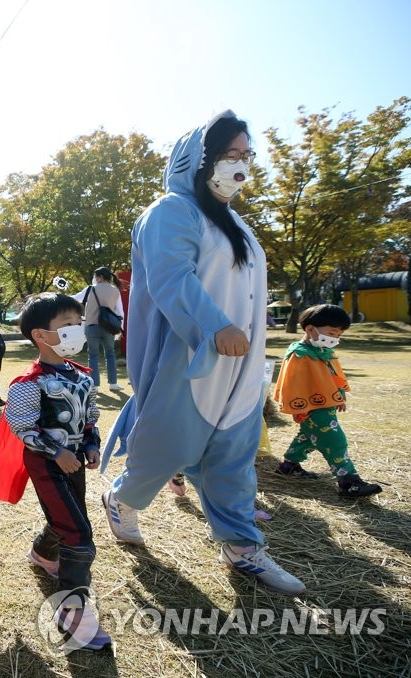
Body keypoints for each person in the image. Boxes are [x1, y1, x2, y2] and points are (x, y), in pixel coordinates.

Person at [100, 110, 305, 596]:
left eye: (245, 156)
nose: (239, 166)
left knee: (234, 461)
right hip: (194, 358)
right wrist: (215, 327)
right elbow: (172, 280)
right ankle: (122, 499)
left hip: (244, 366)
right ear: (199, 159)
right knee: (164, 451)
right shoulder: (170, 211)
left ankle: (242, 547)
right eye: (228, 155)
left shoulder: (237, 224)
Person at [0, 292, 111, 650]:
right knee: (79, 536)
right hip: (47, 463)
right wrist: (57, 452)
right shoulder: (31, 383)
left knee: (66, 517)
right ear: (40, 336)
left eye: (78, 324)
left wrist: (91, 444)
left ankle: (44, 554)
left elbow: (89, 418)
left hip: (73, 461)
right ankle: (71, 612)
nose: (76, 331)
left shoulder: (83, 377)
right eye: (66, 326)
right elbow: (23, 427)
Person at [272, 304, 383, 497]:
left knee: (308, 437)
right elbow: (293, 385)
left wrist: (339, 397)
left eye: (338, 335)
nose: (335, 339)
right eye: (332, 333)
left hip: (326, 405)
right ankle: (349, 481)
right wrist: (299, 407)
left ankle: (289, 466)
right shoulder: (299, 354)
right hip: (311, 408)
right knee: (335, 440)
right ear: (310, 329)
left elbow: (333, 376)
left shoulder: (323, 350)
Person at [73, 268, 125, 390]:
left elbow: (76, 298)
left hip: (92, 326)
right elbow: (120, 311)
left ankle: (95, 385)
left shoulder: (91, 289)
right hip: (109, 327)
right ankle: (113, 383)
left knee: (93, 356)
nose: (95, 279)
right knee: (110, 354)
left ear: (100, 277)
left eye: (96, 277)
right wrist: (120, 329)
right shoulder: (115, 290)